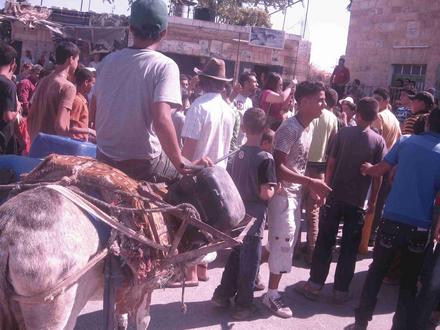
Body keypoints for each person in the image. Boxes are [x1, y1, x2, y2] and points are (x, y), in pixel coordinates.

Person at [94, 0, 201, 184]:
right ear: (164, 33)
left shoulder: (107, 61)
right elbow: (161, 119)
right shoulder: (165, 66)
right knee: (189, 184)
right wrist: (179, 162)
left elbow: (94, 105)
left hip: (104, 156)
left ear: (131, 28)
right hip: (143, 164)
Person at [352, 108, 440, 330]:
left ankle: (361, 323)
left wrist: (368, 168)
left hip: (391, 220)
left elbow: (382, 169)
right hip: (420, 228)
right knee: (409, 283)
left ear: (428, 122)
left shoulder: (406, 141)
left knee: (376, 272)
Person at [299, 97, 386, 303]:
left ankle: (314, 286)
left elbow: (330, 164)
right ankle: (340, 292)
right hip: (357, 203)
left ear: (357, 114)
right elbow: (378, 176)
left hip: (334, 196)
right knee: (349, 247)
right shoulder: (378, 141)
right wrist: (372, 200)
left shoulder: (343, 133)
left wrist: (325, 190)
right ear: (374, 117)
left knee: (325, 242)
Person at [260, 81, 331, 318]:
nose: (324, 104)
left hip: (295, 193)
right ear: (303, 102)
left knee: (277, 243)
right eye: (320, 99)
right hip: (282, 195)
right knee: (282, 243)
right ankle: (271, 294)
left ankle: (245, 273)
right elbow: (278, 168)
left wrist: (311, 186)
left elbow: (300, 164)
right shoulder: (290, 129)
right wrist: (310, 183)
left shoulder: (308, 128)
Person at [211, 107, 277, 320]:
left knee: (237, 253)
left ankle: (223, 293)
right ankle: (243, 304)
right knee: (251, 259)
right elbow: (265, 193)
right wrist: (278, 189)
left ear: (245, 128)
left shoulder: (236, 154)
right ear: (265, 128)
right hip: (255, 215)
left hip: (237, 211)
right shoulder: (265, 157)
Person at [180, 57, 235, 284]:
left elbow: (189, 150)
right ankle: (202, 269)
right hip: (219, 176)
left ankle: (190, 272)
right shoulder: (228, 110)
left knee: (192, 221)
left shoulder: (199, 107)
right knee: (209, 223)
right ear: (222, 85)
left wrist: (183, 166)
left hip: (198, 174)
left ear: (202, 81)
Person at [300, 87, 339, 264]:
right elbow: (333, 145)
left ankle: (292, 247)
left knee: (295, 208)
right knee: (313, 212)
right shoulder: (332, 119)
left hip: (303, 166)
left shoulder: (308, 114)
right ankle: (311, 251)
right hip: (320, 169)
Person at [27, 41, 79, 142]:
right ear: (71, 59)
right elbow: (61, 126)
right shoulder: (68, 87)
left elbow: (31, 114)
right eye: (77, 60)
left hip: (36, 143)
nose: (77, 64)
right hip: (53, 148)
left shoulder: (42, 81)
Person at [0, 42, 24, 155]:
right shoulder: (9, 85)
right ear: (13, 63)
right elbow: (8, 116)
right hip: (3, 139)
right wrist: (17, 108)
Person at [68, 67, 96, 141]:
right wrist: (90, 131)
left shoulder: (83, 100)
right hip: (75, 144)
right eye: (93, 83)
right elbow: (71, 128)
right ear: (86, 82)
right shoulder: (77, 101)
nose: (94, 86)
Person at [233, 72, 259, 146]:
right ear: (246, 84)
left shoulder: (249, 101)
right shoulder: (234, 99)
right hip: (231, 144)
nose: (257, 84)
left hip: (242, 144)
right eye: (254, 82)